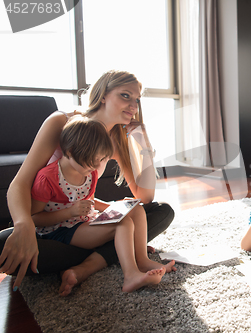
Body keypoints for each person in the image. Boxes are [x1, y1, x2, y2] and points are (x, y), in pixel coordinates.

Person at [0, 70, 175, 295]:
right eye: (125, 96)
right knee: (4, 243)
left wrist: (143, 140)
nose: (134, 106)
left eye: (137, 100)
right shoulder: (62, 122)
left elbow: (146, 197)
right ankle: (114, 251)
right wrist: (24, 225)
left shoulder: (117, 140)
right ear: (103, 95)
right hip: (53, 224)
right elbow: (20, 183)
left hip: (84, 222)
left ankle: (91, 263)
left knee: (160, 211)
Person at [30, 116, 174, 292]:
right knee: (123, 223)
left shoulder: (89, 172)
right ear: (70, 151)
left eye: (101, 160)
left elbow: (89, 201)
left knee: (134, 209)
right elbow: (35, 219)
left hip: (85, 220)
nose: (97, 166)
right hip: (61, 229)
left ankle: (142, 259)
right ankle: (130, 275)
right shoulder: (47, 178)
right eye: (92, 160)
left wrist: (117, 207)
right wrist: (69, 213)